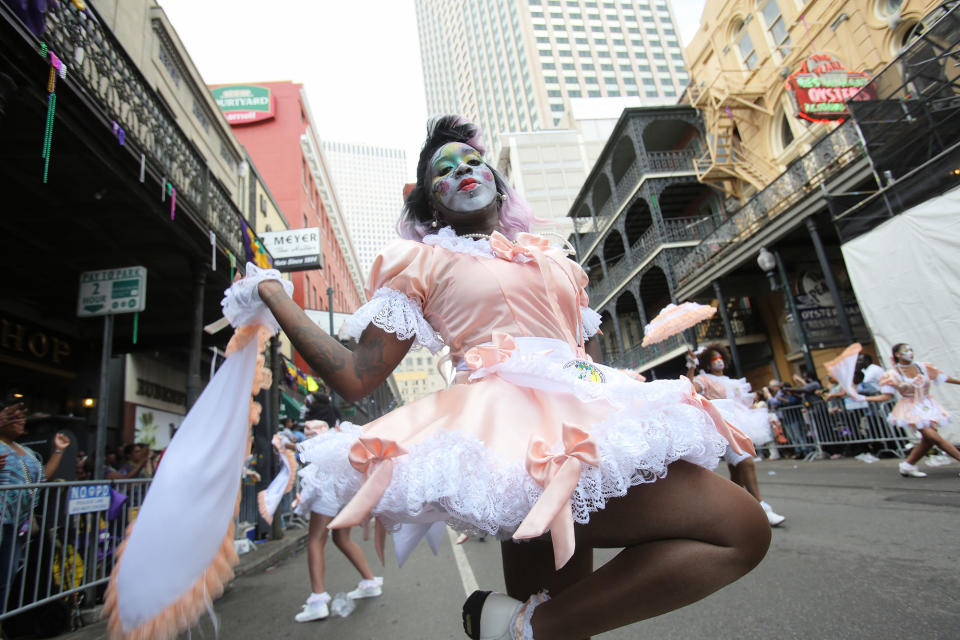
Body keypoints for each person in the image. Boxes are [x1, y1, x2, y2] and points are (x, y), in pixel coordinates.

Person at [241, 116, 768, 640]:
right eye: (444, 171)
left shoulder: (553, 256)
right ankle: (522, 628)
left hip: (584, 423)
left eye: (473, 161)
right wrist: (276, 295)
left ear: (497, 183)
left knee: (582, 612)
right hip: (508, 444)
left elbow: (575, 351)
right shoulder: (423, 262)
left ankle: (517, 628)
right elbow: (356, 376)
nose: (464, 170)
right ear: (430, 203)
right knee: (739, 531)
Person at [291, 420, 382, 622]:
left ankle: (318, 601)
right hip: (344, 487)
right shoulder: (336, 431)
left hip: (326, 486)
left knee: (315, 539)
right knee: (341, 538)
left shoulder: (315, 427)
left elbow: (307, 453)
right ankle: (369, 581)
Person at [686, 345, 785, 527]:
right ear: (708, 362)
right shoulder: (704, 379)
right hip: (721, 426)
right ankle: (762, 508)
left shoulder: (733, 381)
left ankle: (734, 510)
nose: (719, 361)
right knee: (746, 462)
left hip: (738, 424)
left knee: (737, 471)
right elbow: (690, 388)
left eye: (720, 357)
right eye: (714, 358)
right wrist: (692, 365)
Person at [0, 401, 70, 609]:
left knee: (6, 575)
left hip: (15, 522)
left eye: (22, 417)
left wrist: (59, 451)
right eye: (14, 417)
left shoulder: (27, 452)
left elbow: (40, 478)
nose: (21, 421)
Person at [862, 343, 960, 478]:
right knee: (933, 436)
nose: (910, 353)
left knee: (928, 440)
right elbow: (886, 395)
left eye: (911, 350)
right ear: (897, 354)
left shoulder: (923, 367)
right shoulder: (892, 374)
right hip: (910, 408)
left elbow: (944, 378)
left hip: (928, 405)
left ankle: (907, 465)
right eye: (906, 350)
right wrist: (864, 398)